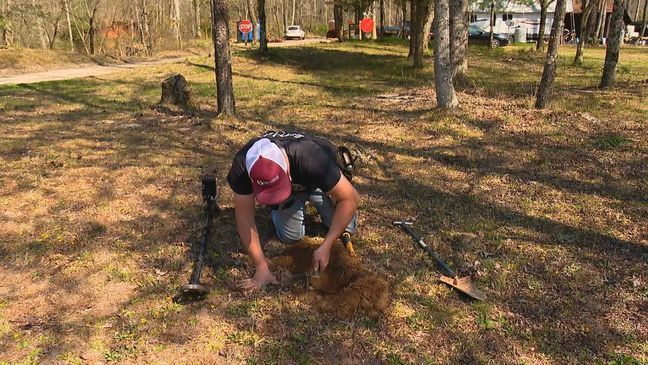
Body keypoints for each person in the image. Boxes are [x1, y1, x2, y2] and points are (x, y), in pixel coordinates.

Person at [227, 131, 359, 291]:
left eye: (276, 188)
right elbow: (244, 219)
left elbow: (350, 198)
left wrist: (327, 245)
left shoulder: (312, 157)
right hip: (294, 186)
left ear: (287, 168)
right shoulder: (241, 167)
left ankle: (319, 191)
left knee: (347, 227)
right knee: (290, 236)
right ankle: (284, 203)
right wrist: (261, 267)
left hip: (316, 179)